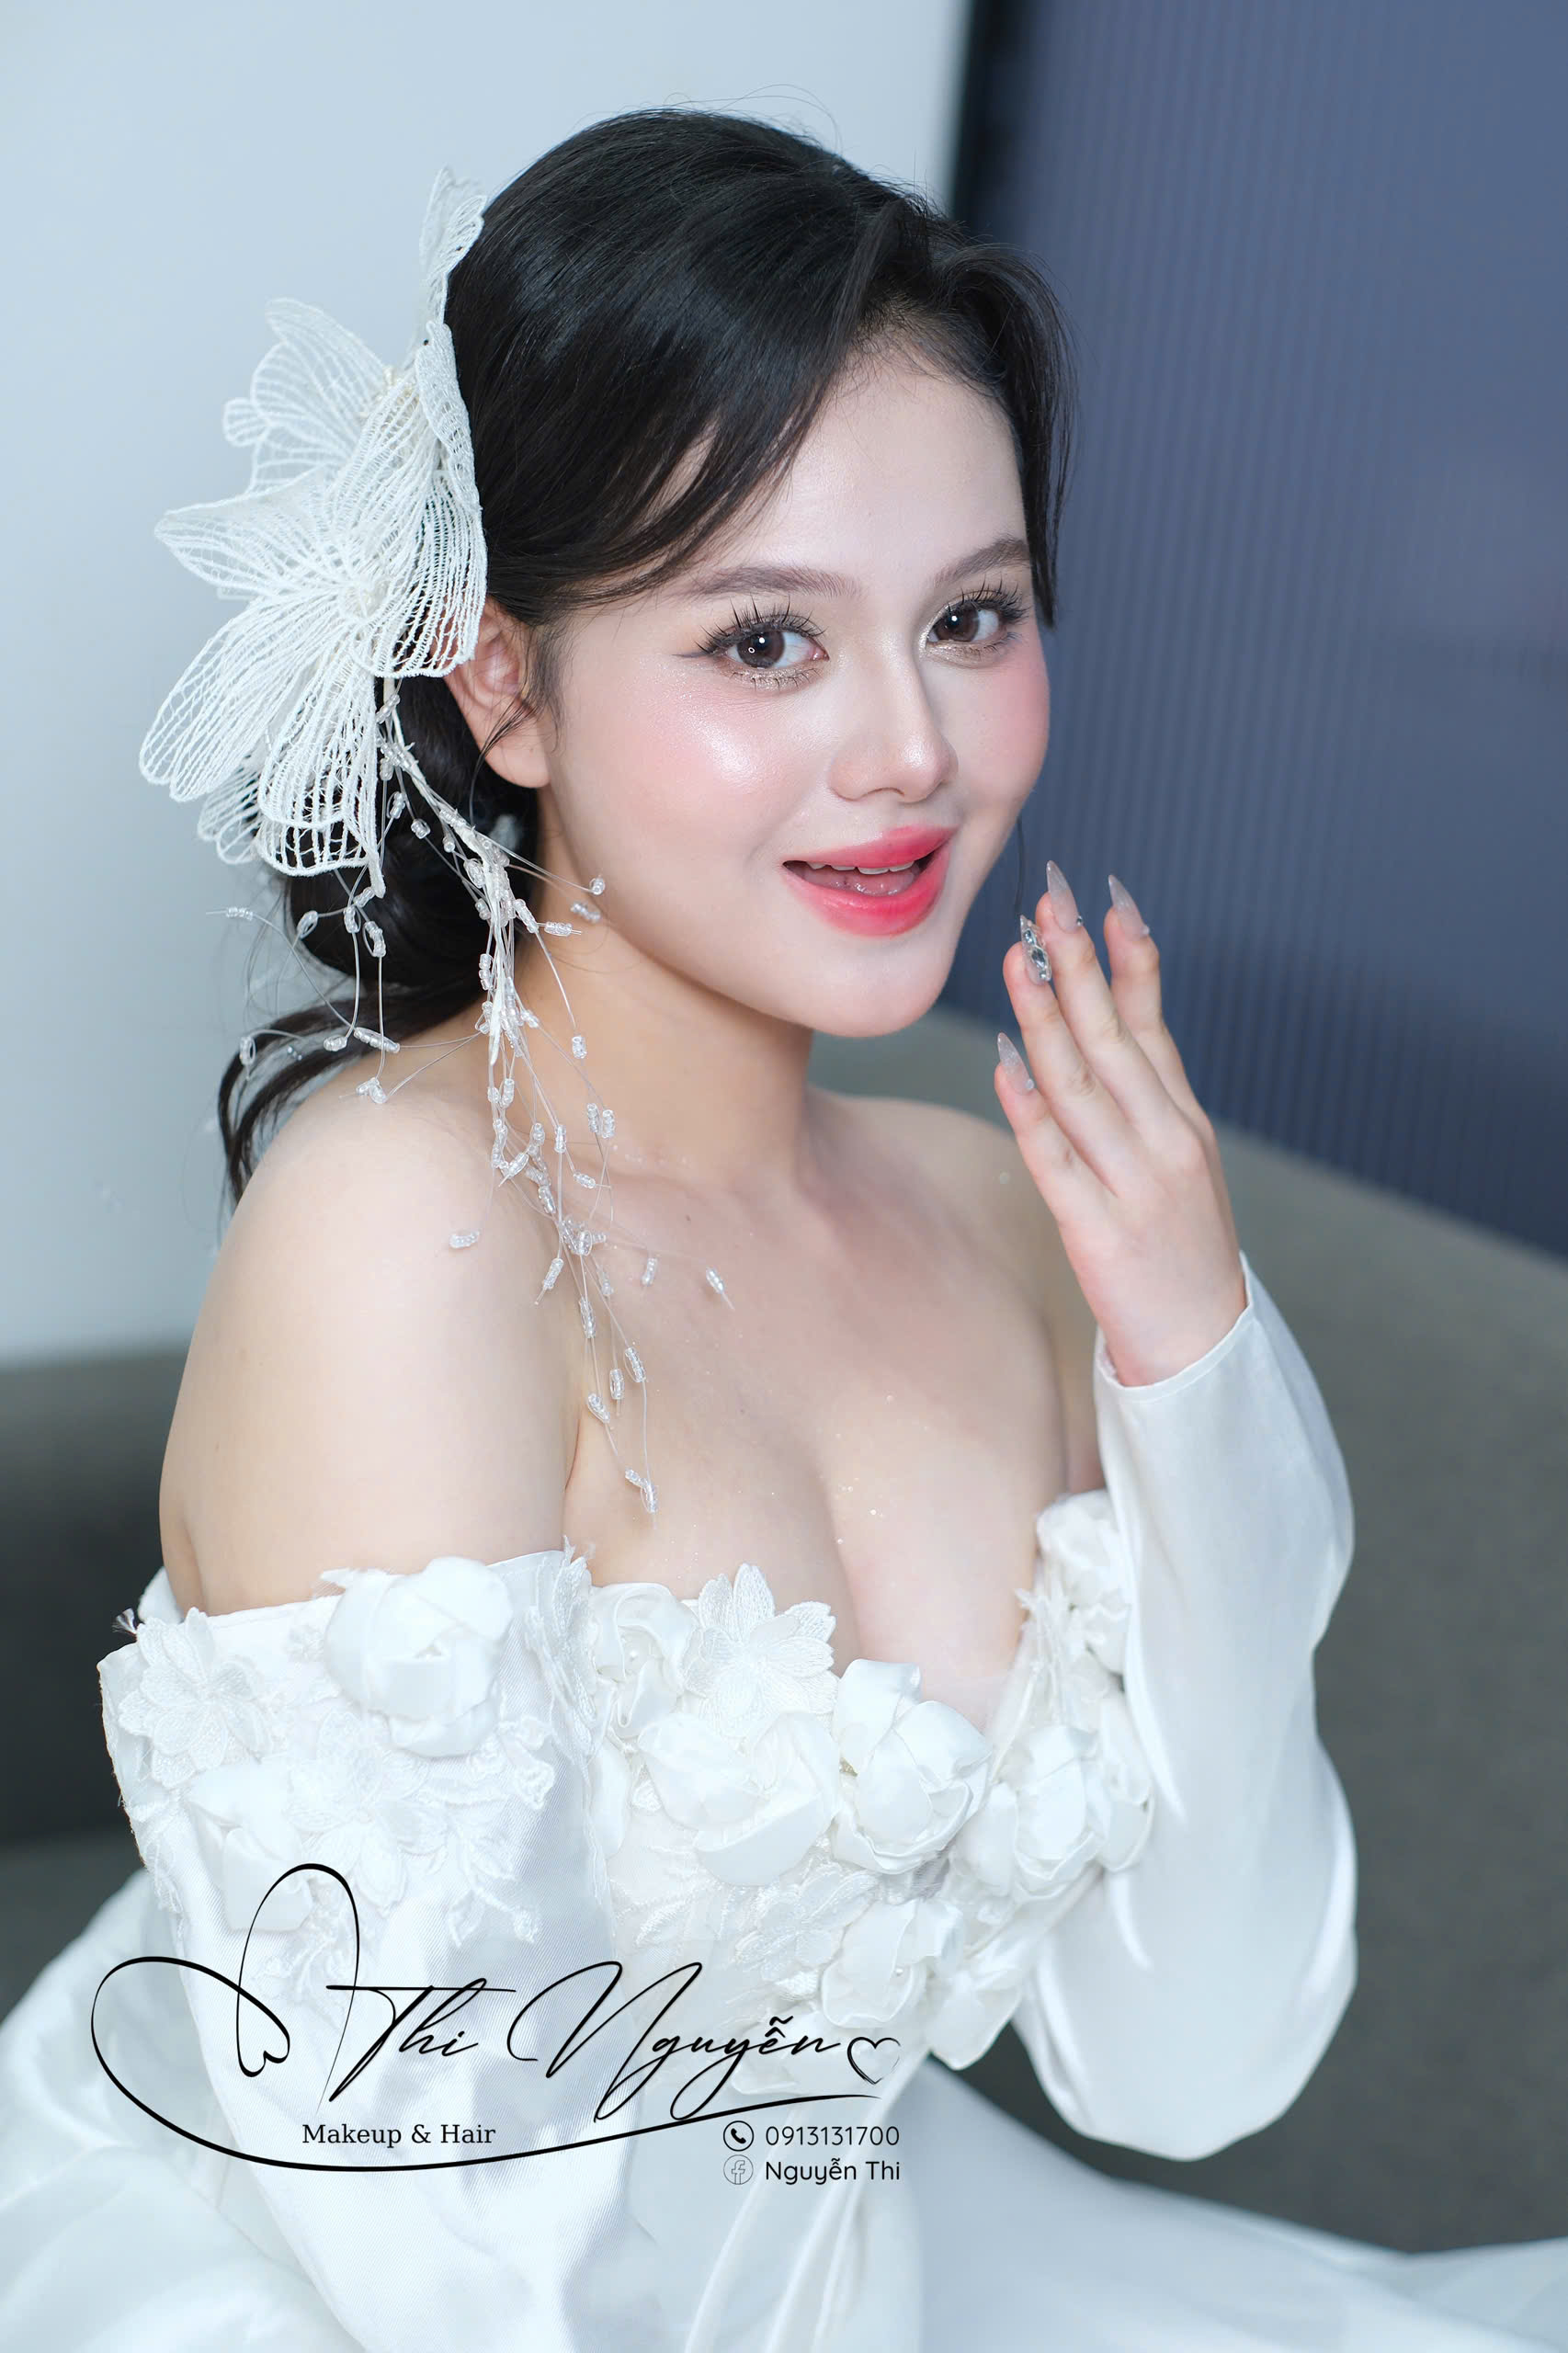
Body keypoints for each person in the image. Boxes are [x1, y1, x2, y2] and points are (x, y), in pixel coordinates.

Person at [0, 107, 1563, 2353]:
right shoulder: (407, 1235)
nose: (909, 747)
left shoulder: (1008, 1214)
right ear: (504, 683)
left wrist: (1192, 1362)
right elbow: (439, 2230)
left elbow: (1189, 2057)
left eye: (972, 617)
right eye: (763, 641)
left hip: (838, 2250)